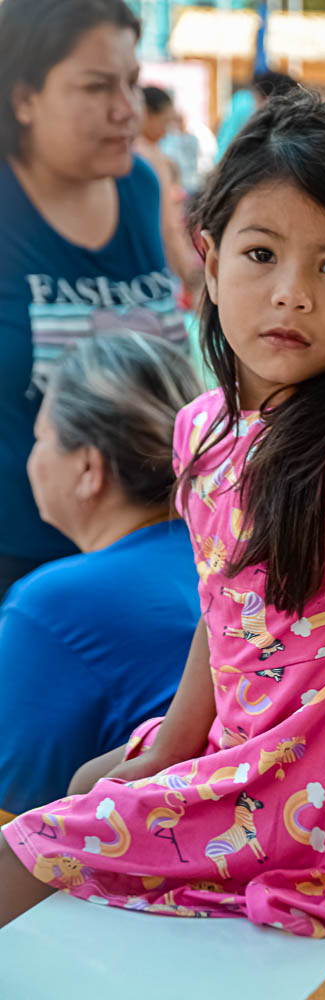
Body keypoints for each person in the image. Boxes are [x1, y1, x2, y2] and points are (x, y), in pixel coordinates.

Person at [0, 92, 325, 993]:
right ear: (209, 263)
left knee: (25, 851)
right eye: (262, 254)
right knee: (74, 798)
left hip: (317, 797)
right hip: (238, 753)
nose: (292, 291)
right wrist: (172, 744)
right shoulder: (202, 431)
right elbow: (227, 609)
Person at [0, 0, 189, 600]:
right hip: (20, 563)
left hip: (153, 552)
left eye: (132, 83)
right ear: (23, 97)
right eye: (96, 86)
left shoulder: (141, 186)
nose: (125, 110)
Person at [0, 332, 201, 822]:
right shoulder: (229, 559)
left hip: (129, 884)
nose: (34, 457)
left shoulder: (55, 604)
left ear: (89, 467)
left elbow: (15, 815)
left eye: (42, 438)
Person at [134, 86, 203, 299]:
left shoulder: (120, 153)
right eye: (165, 122)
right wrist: (189, 274)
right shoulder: (150, 156)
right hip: (152, 262)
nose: (167, 131)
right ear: (146, 114)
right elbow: (169, 224)